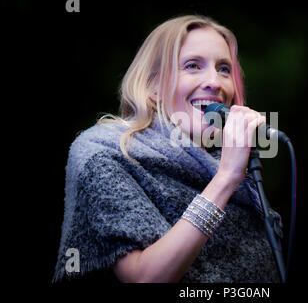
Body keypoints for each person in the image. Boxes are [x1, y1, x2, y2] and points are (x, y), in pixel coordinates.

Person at [53, 15, 281, 283]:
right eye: (193, 66)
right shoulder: (104, 153)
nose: (215, 82)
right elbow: (144, 278)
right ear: (153, 87)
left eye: (223, 69)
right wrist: (225, 178)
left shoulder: (236, 171)